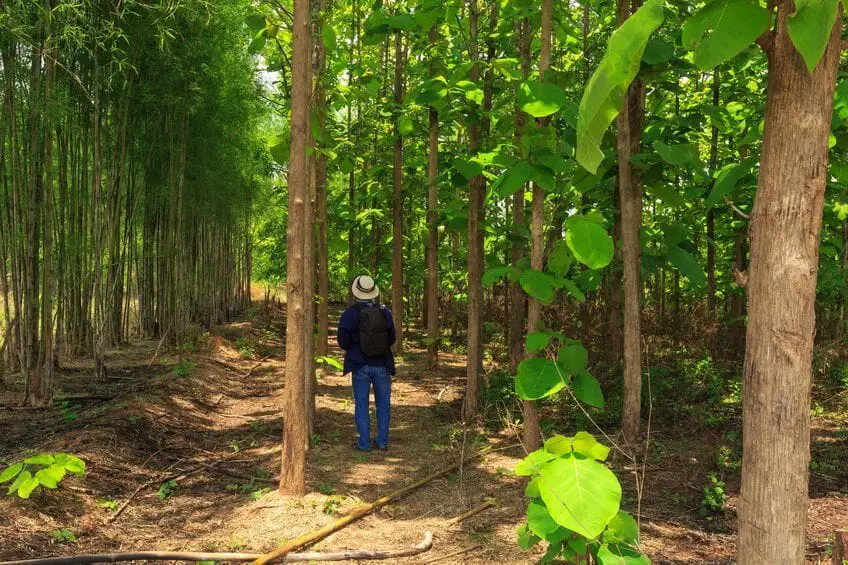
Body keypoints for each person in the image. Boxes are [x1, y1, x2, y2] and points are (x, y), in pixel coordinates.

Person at [337, 275, 396, 452]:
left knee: (362, 404)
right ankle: (383, 442)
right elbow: (392, 338)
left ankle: (364, 444)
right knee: (383, 403)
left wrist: (355, 347)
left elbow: (343, 341)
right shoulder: (385, 312)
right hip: (382, 364)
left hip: (359, 365)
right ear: (373, 293)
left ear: (356, 292)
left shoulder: (350, 313)